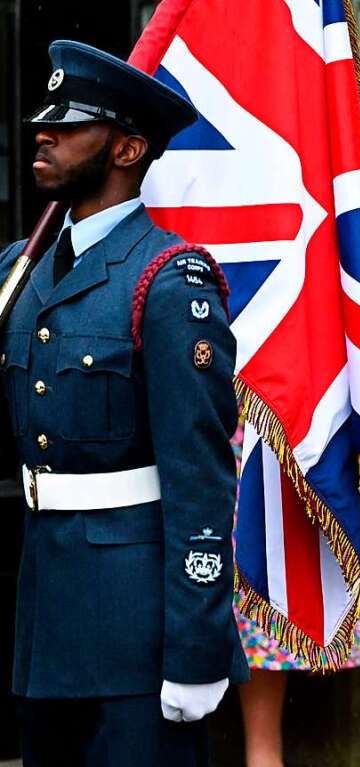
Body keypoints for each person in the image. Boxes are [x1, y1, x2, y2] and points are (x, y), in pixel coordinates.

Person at [1, 40, 246, 766]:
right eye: (45, 119)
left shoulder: (168, 281)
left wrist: (197, 645)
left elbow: (202, 479)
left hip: (135, 626)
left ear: (129, 147)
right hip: (45, 618)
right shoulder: (20, 272)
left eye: (70, 124)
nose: (43, 133)